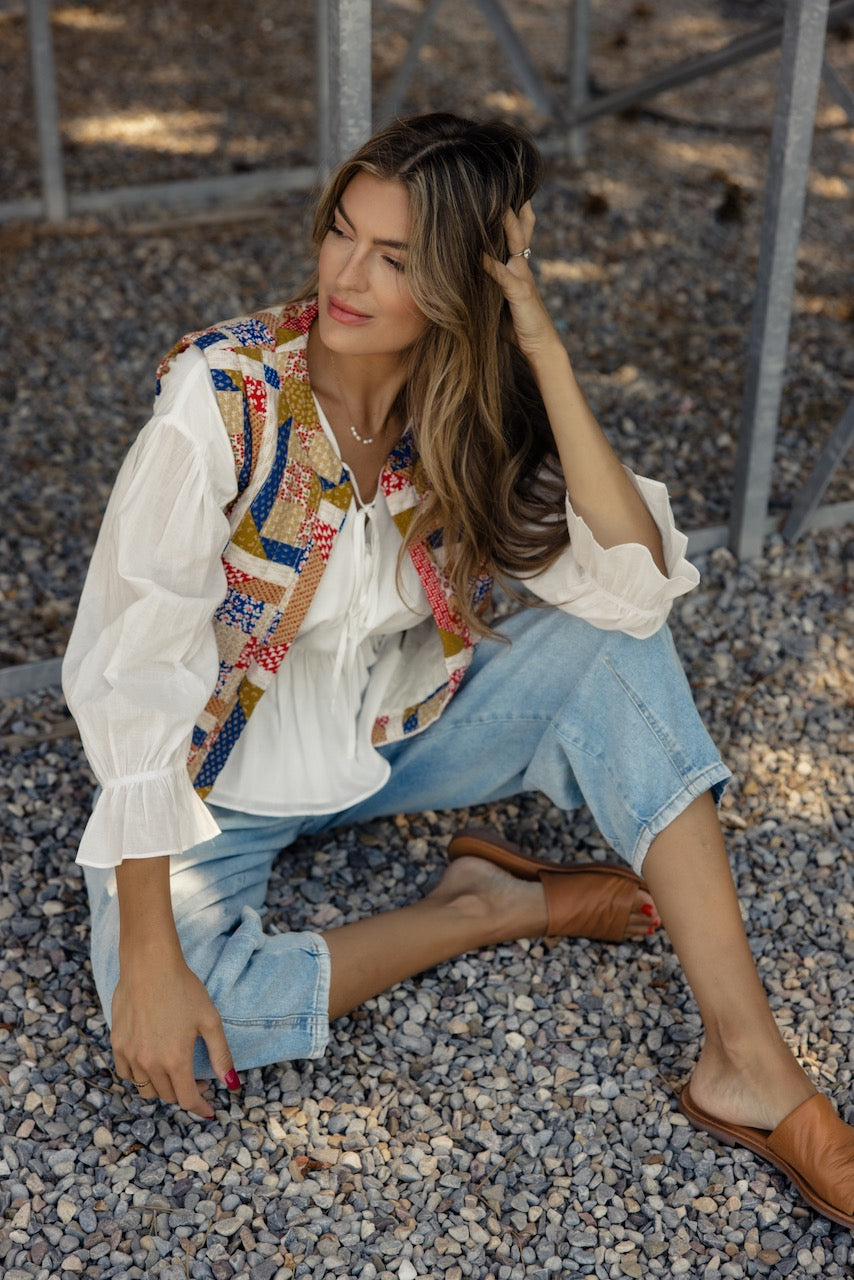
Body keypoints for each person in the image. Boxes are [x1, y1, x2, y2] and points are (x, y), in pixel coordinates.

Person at [63, 112, 853, 1227]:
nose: (347, 275)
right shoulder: (221, 402)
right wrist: (148, 948)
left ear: (457, 281)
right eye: (341, 233)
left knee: (613, 651)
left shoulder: (462, 399)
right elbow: (131, 675)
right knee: (195, 1018)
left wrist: (540, 344)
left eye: (395, 259)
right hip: (212, 788)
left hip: (391, 737)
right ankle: (483, 906)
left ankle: (748, 1062)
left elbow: (629, 581)